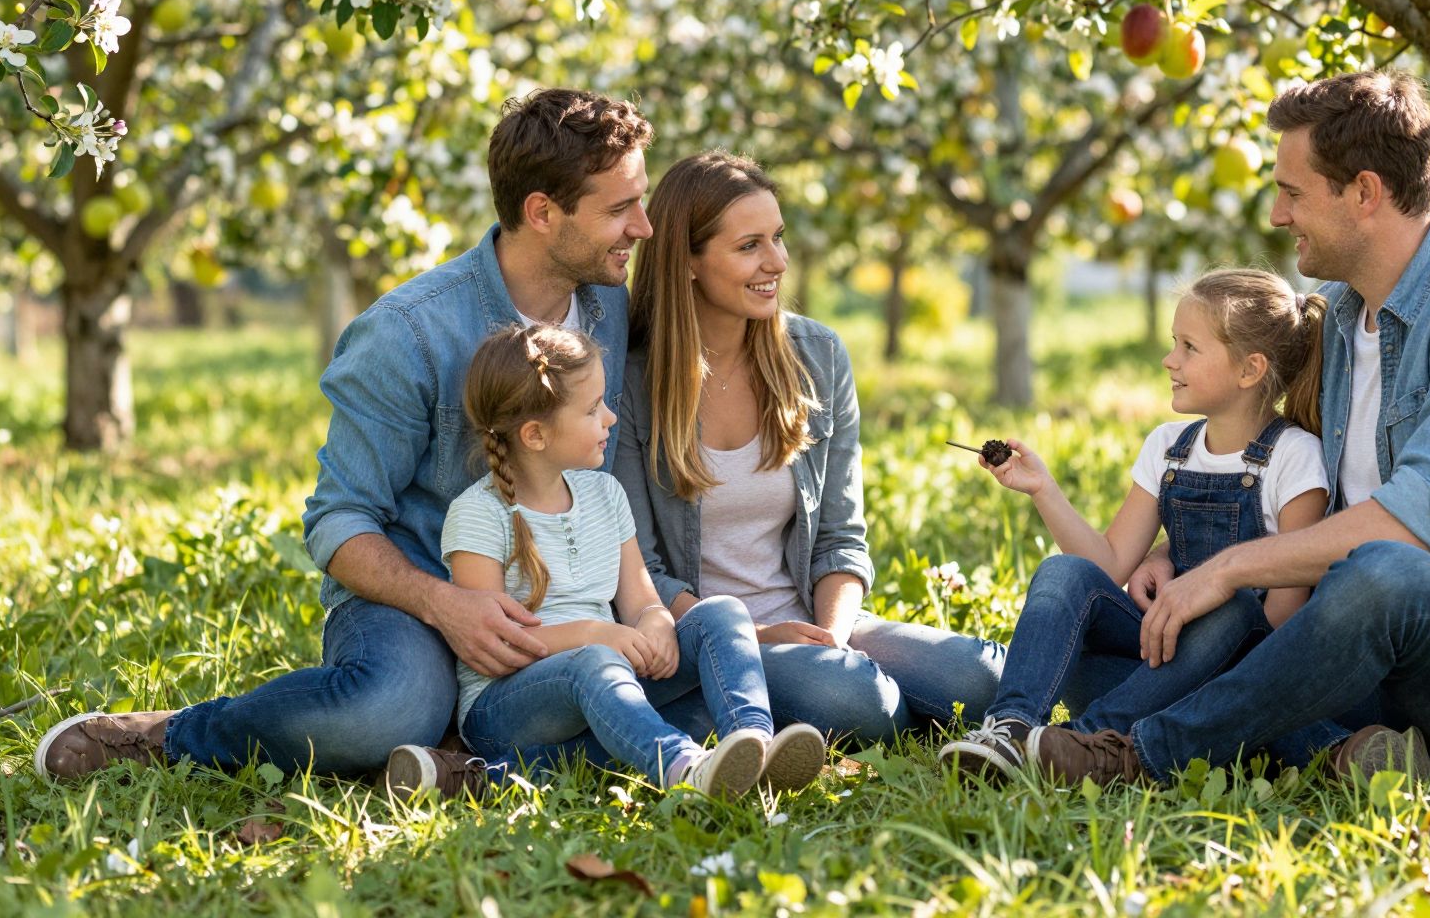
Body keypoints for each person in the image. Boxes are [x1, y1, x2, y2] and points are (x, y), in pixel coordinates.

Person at [36, 89, 656, 781]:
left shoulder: (615, 308)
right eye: (620, 209)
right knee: (383, 712)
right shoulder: (408, 332)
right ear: (542, 212)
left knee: (670, 684)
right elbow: (339, 520)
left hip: (568, 610)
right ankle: (179, 734)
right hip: (416, 596)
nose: (645, 227)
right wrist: (446, 605)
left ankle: (467, 762)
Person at [1022, 70, 1430, 786]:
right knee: (1119, 639)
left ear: (1364, 193)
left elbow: (1412, 525)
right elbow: (1276, 475)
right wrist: (1179, 561)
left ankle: (1142, 754)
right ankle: (1346, 751)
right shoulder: (1333, 318)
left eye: (1292, 192)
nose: (1277, 215)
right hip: (1351, 655)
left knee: (1384, 571)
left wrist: (1228, 568)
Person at [615, 151, 1005, 742]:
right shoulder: (629, 380)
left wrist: (834, 639)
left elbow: (840, 538)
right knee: (860, 702)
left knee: (984, 677)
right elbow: (644, 571)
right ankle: (777, 707)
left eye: (778, 237)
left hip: (812, 620)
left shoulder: (816, 357)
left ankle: (828, 702)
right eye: (749, 246)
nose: (777, 261)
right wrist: (763, 639)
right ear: (687, 262)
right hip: (705, 639)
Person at [384, 324, 826, 798]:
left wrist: (654, 621)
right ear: (535, 435)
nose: (611, 419)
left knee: (723, 613)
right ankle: (684, 767)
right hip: (509, 705)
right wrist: (595, 635)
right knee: (597, 666)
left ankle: (754, 744)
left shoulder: (605, 494)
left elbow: (640, 598)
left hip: (612, 678)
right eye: (593, 409)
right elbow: (496, 648)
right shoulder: (478, 514)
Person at [938, 269, 1329, 781]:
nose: (1170, 360)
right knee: (1065, 578)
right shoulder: (1169, 448)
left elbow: (1283, 623)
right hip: (1156, 657)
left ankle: (1084, 741)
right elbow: (1107, 564)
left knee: (1231, 607)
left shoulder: (1294, 457)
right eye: (1174, 343)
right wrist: (1043, 489)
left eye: (1190, 347)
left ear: (1250, 369)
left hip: (1240, 667)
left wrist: (1205, 608)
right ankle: (1011, 728)